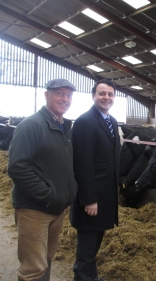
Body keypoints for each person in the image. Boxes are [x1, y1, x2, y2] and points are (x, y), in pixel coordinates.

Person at [7, 78, 78, 281]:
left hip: (56, 208)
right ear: (47, 95)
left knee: (47, 259)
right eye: (59, 93)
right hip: (34, 209)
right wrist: (48, 195)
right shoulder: (32, 125)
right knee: (33, 267)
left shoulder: (64, 128)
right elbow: (17, 167)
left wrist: (67, 193)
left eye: (68, 95)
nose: (64, 99)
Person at [70, 79, 120, 281]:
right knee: (87, 248)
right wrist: (89, 199)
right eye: (102, 93)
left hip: (105, 197)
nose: (106, 97)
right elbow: (82, 164)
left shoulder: (112, 121)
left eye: (110, 94)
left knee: (94, 244)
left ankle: (90, 277)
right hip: (92, 199)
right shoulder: (84, 122)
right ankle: (82, 278)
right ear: (93, 96)